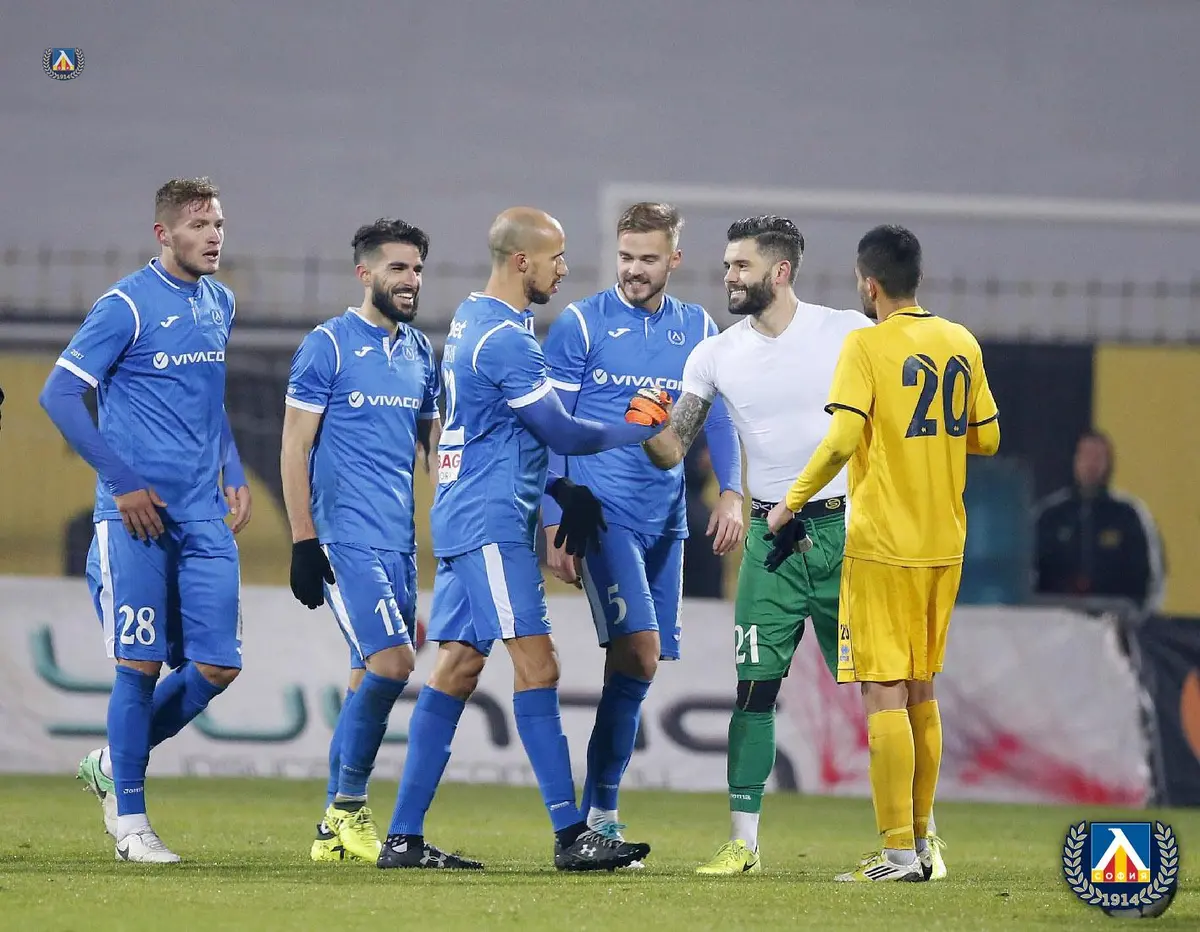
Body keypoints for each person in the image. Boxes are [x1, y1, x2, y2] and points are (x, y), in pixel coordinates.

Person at [378, 207, 668, 872]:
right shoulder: (507, 339)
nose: (563, 269)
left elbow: (491, 429)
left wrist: (557, 486)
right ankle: (572, 836)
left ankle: (402, 839)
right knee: (539, 666)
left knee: (457, 668)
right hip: (491, 522)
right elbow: (561, 431)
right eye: (555, 257)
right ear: (521, 261)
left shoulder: (472, 318)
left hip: (466, 513)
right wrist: (639, 425)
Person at [764, 224, 999, 881]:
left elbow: (843, 439)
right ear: (917, 278)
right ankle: (923, 846)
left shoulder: (865, 345)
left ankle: (897, 852)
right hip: (943, 545)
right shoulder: (961, 341)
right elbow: (987, 438)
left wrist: (791, 501)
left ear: (869, 285)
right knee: (921, 687)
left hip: (883, 545)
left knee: (882, 690)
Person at [641, 215, 872, 875]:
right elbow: (673, 447)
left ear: (781, 271)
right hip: (772, 545)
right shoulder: (715, 355)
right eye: (727, 266)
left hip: (846, 536)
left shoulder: (847, 332)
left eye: (741, 266)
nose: (729, 277)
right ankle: (743, 843)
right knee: (753, 691)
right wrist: (638, 423)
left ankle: (916, 839)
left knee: (884, 692)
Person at [39, 177, 252, 863]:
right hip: (134, 519)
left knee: (218, 665)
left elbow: (208, 398)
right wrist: (124, 484)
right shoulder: (125, 305)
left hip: (203, 515)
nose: (214, 236)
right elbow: (60, 394)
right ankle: (130, 823)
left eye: (218, 224)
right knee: (140, 663)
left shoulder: (220, 301)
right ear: (164, 234)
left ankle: (112, 760)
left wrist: (233, 467)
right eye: (199, 225)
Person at [540, 202, 743, 852]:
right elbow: (551, 425)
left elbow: (715, 418)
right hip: (602, 517)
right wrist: (554, 517)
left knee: (634, 670)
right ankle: (597, 815)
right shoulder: (580, 324)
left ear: (673, 259)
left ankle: (599, 816)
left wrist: (731, 491)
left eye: (648, 259)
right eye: (626, 256)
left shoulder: (698, 328)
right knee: (641, 652)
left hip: (666, 521)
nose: (633, 269)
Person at [280, 219, 440, 863]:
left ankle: (330, 833)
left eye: (418, 269)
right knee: (394, 665)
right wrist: (302, 540)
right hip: (344, 539)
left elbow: (434, 450)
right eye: (398, 268)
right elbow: (294, 447)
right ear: (364, 273)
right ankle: (349, 807)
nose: (411, 280)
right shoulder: (328, 346)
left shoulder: (421, 351)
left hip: (399, 542)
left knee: (364, 677)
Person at [1034, 430, 1165, 612]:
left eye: (1097, 458)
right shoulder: (1050, 515)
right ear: (1075, 460)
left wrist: (1136, 614)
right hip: (1057, 617)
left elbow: (1149, 575)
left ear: (1108, 463)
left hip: (1114, 618)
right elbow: (1030, 570)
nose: (1091, 464)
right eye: (1086, 456)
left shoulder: (1128, 515)